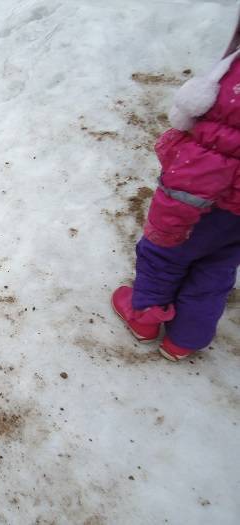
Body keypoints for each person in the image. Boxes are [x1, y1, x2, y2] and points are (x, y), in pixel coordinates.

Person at [112, 22, 240, 361]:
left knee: (163, 256)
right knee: (217, 268)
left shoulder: (233, 89)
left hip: (205, 201)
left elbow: (208, 161)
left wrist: (169, 220)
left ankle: (144, 319)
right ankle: (185, 338)